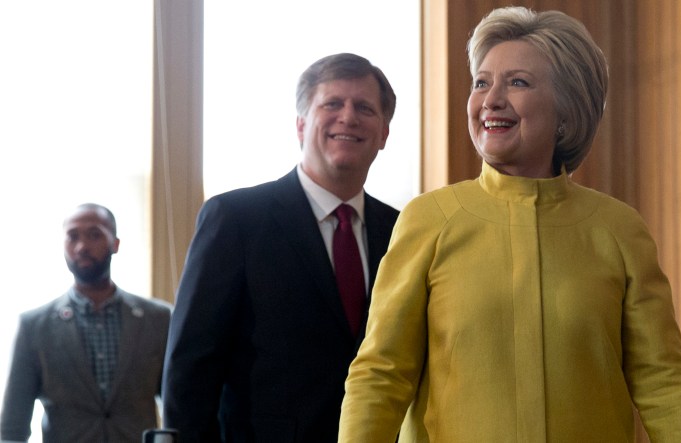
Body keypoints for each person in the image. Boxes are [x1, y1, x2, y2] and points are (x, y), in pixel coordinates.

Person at [339, 6, 681, 442]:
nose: (491, 99)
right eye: (482, 82)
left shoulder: (619, 230)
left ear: (566, 110)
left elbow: (663, 382)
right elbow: (381, 376)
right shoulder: (429, 220)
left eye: (517, 82)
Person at [161, 52, 400, 442]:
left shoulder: (401, 231)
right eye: (332, 104)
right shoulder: (235, 219)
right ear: (301, 125)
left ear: (384, 133)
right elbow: (191, 366)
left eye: (364, 108)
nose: (348, 117)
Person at [0, 203, 172, 442]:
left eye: (94, 235)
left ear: (115, 244)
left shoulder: (159, 319)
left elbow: (177, 406)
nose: (82, 246)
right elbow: (12, 427)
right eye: (72, 236)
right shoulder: (34, 326)